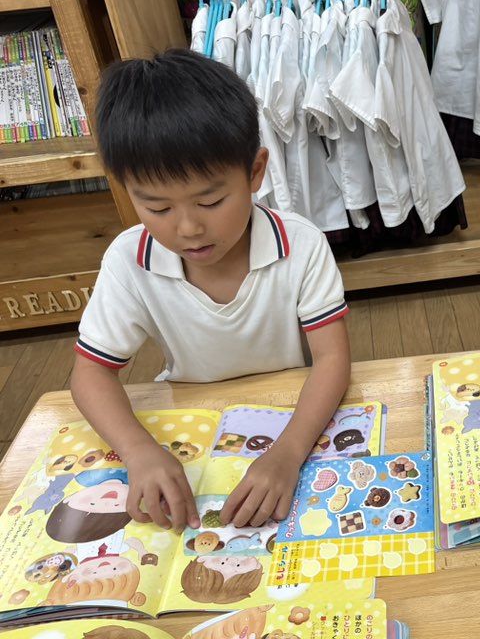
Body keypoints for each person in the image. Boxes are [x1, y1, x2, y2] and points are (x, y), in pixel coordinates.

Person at [71, 49, 351, 532]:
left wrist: (288, 453)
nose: (188, 228)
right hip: (191, 420)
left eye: (211, 200)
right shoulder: (128, 259)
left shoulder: (302, 244)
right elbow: (90, 374)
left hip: (293, 411)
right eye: (157, 208)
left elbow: (332, 359)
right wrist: (139, 452)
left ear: (255, 172)